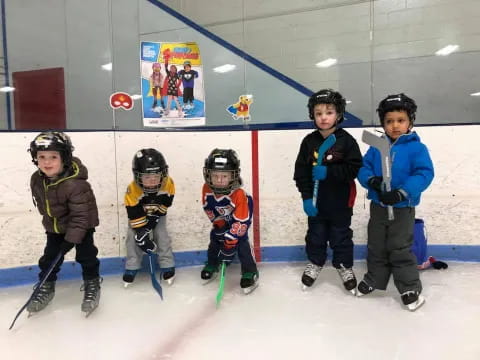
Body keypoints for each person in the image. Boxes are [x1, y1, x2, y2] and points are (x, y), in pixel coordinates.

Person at [356, 93, 434, 311]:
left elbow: (424, 174)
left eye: (400, 120)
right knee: (377, 245)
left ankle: (409, 287)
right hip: (379, 206)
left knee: (400, 247)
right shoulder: (376, 147)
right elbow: (363, 168)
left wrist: (402, 192)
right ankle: (374, 279)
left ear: (410, 122)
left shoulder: (417, 149)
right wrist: (371, 180)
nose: (395, 126)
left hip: (403, 208)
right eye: (389, 121)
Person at [294, 89, 362, 294]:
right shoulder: (308, 142)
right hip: (317, 204)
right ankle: (315, 262)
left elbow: (354, 168)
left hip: (341, 203)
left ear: (339, 114)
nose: (324, 117)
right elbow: (301, 173)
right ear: (312, 116)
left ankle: (344, 266)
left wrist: (330, 172)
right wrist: (306, 198)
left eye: (329, 112)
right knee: (315, 235)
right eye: (319, 113)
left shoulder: (347, 141)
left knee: (341, 237)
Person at [28, 131, 101, 315]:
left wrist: (71, 240)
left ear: (65, 158)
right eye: (42, 157)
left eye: (53, 157)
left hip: (82, 226)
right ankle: (46, 285)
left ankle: (92, 283)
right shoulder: (37, 179)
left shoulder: (75, 185)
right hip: (55, 227)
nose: (47, 162)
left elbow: (80, 217)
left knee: (86, 256)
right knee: (50, 258)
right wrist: (52, 227)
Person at [201, 149, 259, 294]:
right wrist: (219, 226)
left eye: (224, 176)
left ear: (233, 175)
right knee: (215, 239)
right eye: (215, 175)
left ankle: (250, 271)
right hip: (223, 222)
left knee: (242, 244)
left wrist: (230, 242)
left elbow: (241, 222)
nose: (219, 180)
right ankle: (213, 263)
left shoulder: (240, 195)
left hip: (238, 226)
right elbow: (209, 208)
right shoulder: (206, 188)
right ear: (208, 175)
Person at [123, 149, 176, 287]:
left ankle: (167, 264)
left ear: (163, 174)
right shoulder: (132, 189)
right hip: (139, 216)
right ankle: (132, 265)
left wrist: (157, 217)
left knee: (161, 235)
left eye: (156, 176)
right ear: (138, 176)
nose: (152, 182)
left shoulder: (168, 183)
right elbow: (133, 212)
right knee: (132, 237)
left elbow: (166, 202)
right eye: (147, 177)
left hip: (158, 213)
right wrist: (141, 233)